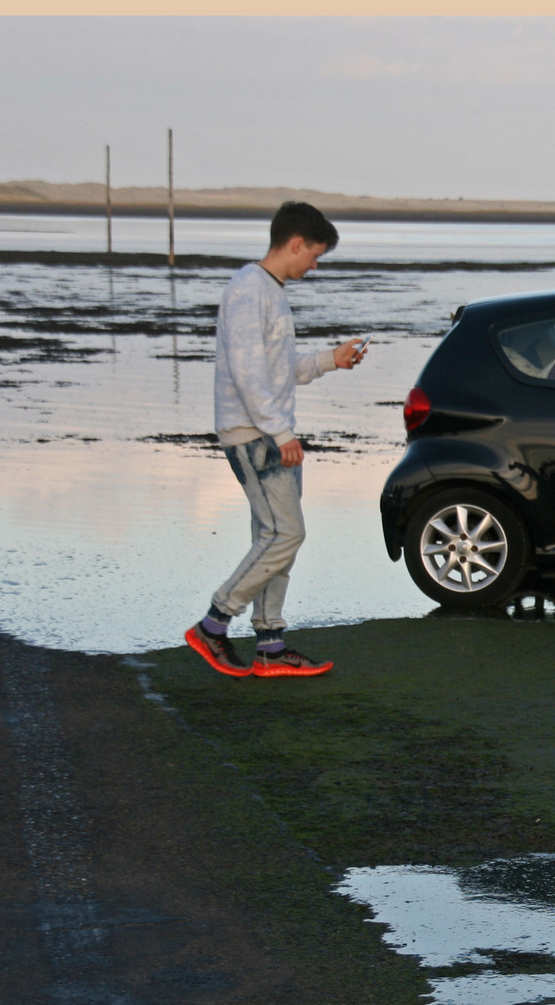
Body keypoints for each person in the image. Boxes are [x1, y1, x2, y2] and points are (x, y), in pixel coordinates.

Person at [184, 201, 366, 678]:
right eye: (315, 255)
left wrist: (332, 359)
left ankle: (270, 643)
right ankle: (214, 624)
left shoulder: (271, 292)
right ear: (296, 243)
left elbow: (279, 371)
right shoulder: (249, 290)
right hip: (255, 436)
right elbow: (248, 376)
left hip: (268, 432)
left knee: (274, 538)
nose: (315, 265)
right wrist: (282, 432)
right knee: (286, 535)